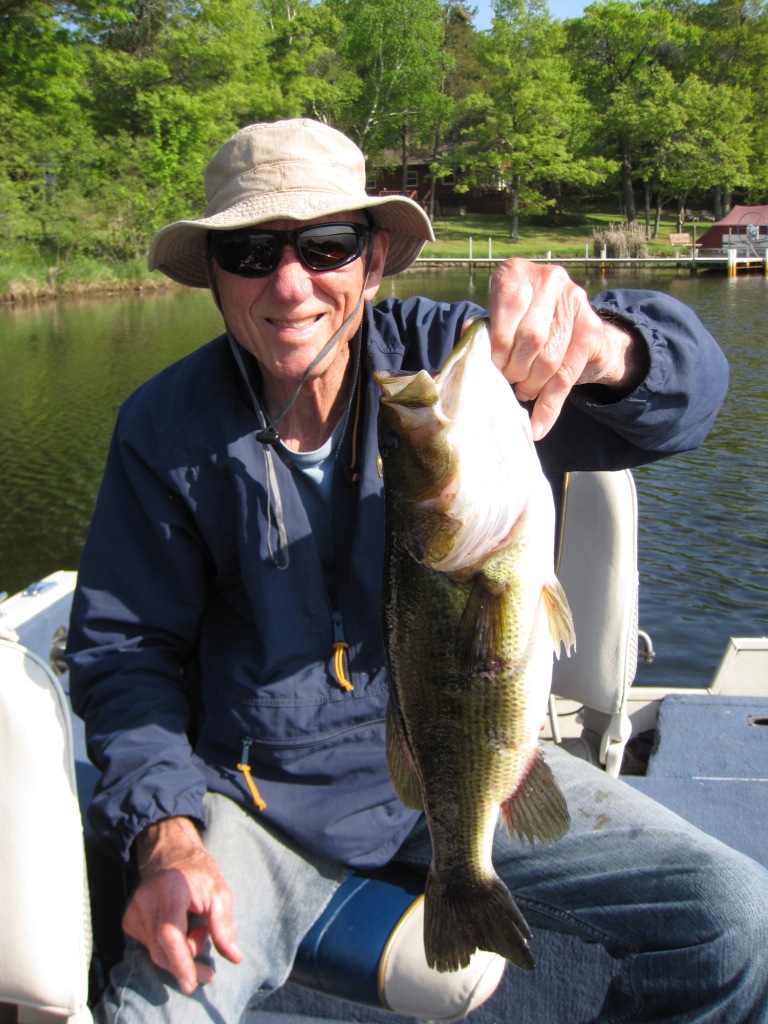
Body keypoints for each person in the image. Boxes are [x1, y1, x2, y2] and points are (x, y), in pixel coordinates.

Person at [66, 118, 768, 1024]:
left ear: (373, 255)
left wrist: (603, 349)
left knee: (733, 920)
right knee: (151, 1008)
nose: (290, 284)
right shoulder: (164, 429)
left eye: (325, 246)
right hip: (249, 804)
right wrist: (166, 838)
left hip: (472, 766)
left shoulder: (459, 369)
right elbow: (125, 656)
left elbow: (688, 403)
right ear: (213, 274)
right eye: (249, 252)